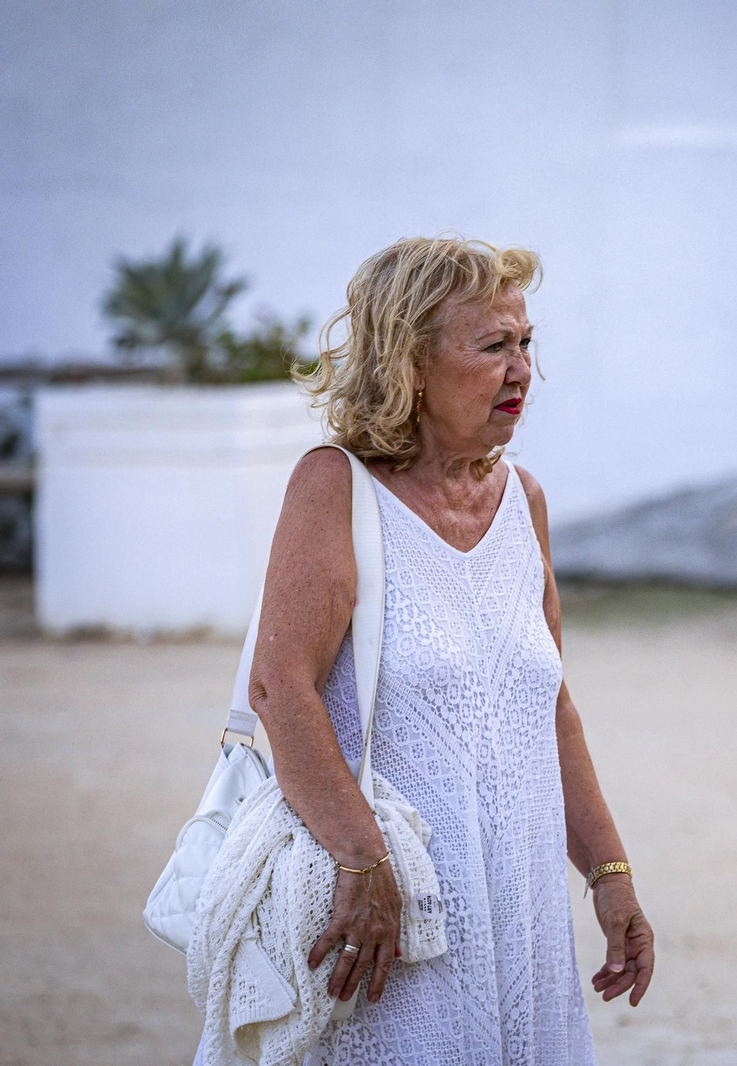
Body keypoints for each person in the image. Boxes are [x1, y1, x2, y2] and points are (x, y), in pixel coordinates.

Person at [248, 236, 654, 1064]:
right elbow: (280, 688)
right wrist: (363, 862)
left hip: (524, 917)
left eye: (526, 343)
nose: (521, 369)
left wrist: (610, 877)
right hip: (393, 915)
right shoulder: (336, 488)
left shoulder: (524, 502)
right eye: (494, 345)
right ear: (411, 364)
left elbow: (553, 709)